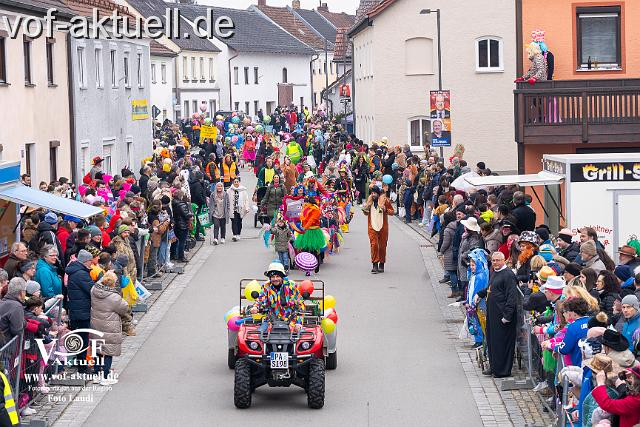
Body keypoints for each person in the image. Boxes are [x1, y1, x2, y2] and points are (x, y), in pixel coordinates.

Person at [476, 251, 518, 378]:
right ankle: (494, 366)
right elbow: (491, 288)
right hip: (493, 314)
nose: (495, 263)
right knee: (492, 341)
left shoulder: (508, 275)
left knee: (502, 343)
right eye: (493, 260)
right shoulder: (495, 272)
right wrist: (480, 293)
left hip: (503, 316)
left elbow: (512, 297)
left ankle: (502, 370)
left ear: (503, 260)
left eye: (497, 260)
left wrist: (507, 316)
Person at [90, 271, 130, 385]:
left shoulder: (94, 290)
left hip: (96, 324)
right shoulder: (113, 297)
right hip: (109, 326)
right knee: (108, 351)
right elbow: (124, 308)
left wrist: (107, 275)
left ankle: (97, 375)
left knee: (97, 350)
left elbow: (99, 282)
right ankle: (106, 377)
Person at [250, 262, 304, 331]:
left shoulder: (291, 286)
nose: (275, 279)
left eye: (278, 276)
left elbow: (300, 304)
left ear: (282, 276)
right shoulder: (266, 286)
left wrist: (299, 323)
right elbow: (260, 299)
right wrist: (255, 307)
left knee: (303, 337)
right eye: (273, 277)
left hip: (291, 320)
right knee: (259, 335)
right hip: (271, 320)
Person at [66, 249, 95, 374]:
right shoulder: (81, 274)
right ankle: (82, 367)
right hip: (81, 312)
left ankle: (83, 365)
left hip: (78, 311)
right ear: (85, 261)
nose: (91, 264)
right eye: (90, 261)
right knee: (82, 340)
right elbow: (92, 290)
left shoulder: (77, 271)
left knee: (81, 339)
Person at [362, 186, 394, 274]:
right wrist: (365, 208)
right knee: (374, 245)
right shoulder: (370, 202)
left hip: (383, 227)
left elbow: (392, 212)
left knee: (382, 246)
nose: (373, 195)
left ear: (378, 194)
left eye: (375, 193)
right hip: (372, 226)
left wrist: (386, 209)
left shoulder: (385, 201)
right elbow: (365, 213)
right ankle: (375, 264)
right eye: (372, 193)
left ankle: (382, 264)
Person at [0, 278, 27, 346]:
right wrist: (24, 323)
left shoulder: (2, 302)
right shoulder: (16, 306)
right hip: (6, 347)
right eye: (25, 291)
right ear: (21, 292)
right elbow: (17, 330)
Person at [170, 190, 193, 262]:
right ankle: (181, 257)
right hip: (182, 225)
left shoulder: (173, 203)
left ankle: (173, 255)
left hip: (176, 224)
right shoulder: (181, 204)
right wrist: (191, 214)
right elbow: (186, 214)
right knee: (182, 242)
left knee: (175, 240)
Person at [227, 177, 250, 241]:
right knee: (234, 221)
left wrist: (247, 207)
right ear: (233, 183)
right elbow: (227, 200)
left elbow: (246, 200)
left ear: (239, 183)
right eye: (235, 182)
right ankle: (234, 234)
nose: (236, 183)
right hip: (232, 208)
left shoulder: (243, 190)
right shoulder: (229, 191)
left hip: (240, 208)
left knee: (239, 221)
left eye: (237, 182)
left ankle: (238, 234)